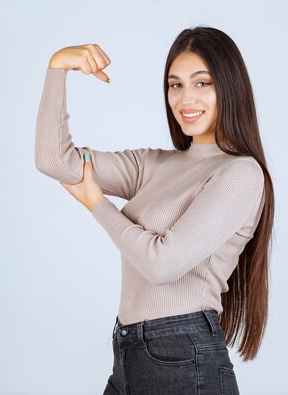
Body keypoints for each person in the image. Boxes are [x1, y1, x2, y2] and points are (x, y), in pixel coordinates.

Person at [35, 25, 275, 395]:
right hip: (130, 350)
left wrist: (97, 204)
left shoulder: (241, 173)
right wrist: (57, 68)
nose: (185, 98)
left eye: (202, 83)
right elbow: (56, 160)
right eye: (175, 84)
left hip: (181, 353)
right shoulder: (153, 166)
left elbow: (162, 264)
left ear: (230, 87)